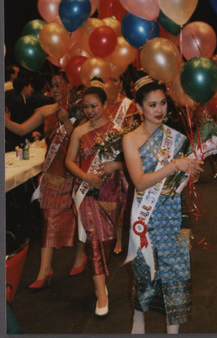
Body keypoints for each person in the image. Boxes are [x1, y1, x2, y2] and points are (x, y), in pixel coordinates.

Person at [122, 74, 203, 334]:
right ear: (139, 108)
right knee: (145, 271)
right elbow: (140, 182)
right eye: (152, 104)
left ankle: (173, 330)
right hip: (146, 216)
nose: (159, 110)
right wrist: (174, 165)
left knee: (176, 273)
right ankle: (138, 317)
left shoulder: (177, 138)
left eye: (163, 103)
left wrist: (193, 170)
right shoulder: (130, 139)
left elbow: (186, 179)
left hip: (174, 213)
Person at [5, 73, 86, 290]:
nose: (56, 88)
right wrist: (5, 120)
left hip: (78, 171)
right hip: (54, 172)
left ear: (70, 84)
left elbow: (85, 143)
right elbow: (22, 129)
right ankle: (45, 268)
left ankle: (80, 256)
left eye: (60, 84)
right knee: (48, 217)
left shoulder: (85, 108)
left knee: (79, 217)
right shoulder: (47, 109)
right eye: (53, 85)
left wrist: (67, 122)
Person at [65, 79, 126, 318]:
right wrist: (86, 177)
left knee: (107, 242)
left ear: (105, 105)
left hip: (111, 195)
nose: (90, 111)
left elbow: (131, 162)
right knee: (93, 242)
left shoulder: (118, 132)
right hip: (87, 192)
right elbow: (69, 161)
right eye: (86, 107)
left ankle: (101, 280)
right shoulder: (79, 131)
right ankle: (101, 294)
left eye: (94, 106)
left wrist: (116, 164)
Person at [104, 74, 140, 255]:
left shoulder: (129, 105)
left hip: (123, 158)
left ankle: (119, 237)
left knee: (123, 198)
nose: (111, 83)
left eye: (116, 79)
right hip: (104, 159)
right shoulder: (99, 105)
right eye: (107, 79)